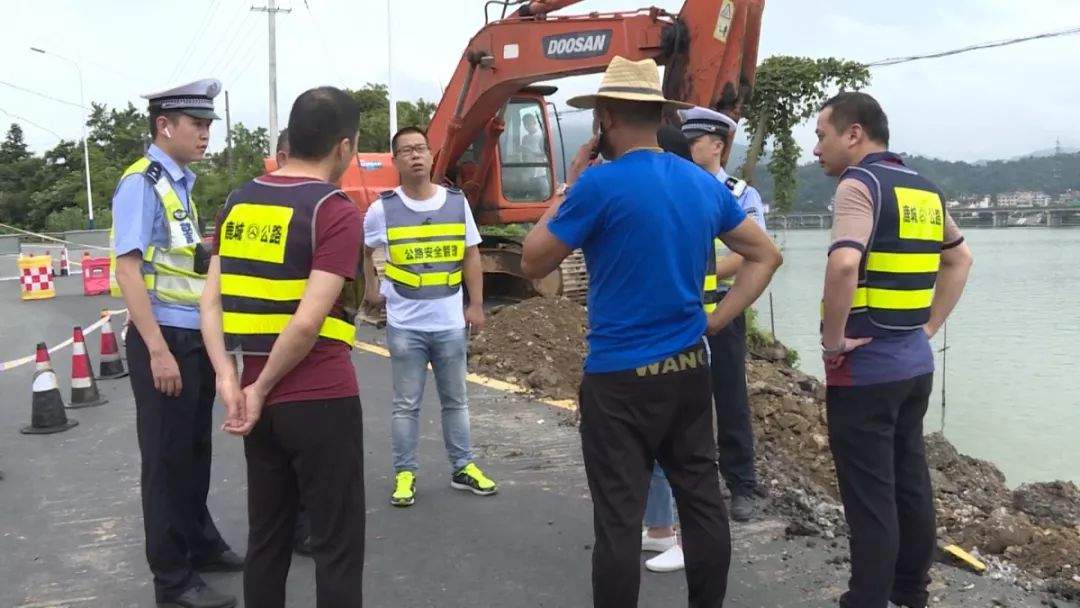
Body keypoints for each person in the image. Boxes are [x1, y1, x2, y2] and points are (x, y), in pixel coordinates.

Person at [521, 56, 782, 608]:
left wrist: (569, 185)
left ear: (606, 119)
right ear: (657, 113)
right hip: (689, 368)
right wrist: (717, 319)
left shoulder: (598, 186)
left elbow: (532, 262)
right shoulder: (700, 183)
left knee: (619, 517)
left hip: (619, 379)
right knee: (703, 501)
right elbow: (765, 255)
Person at [201, 86, 367, 607]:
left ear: (291, 138)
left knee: (267, 540)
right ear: (343, 146)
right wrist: (264, 384)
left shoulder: (239, 201)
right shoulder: (335, 210)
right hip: (320, 397)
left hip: (257, 402)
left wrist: (234, 381)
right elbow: (307, 323)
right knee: (337, 546)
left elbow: (210, 304)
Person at [813, 92, 972, 608]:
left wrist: (833, 342)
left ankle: (867, 598)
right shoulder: (923, 188)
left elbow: (842, 266)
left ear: (854, 133)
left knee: (869, 497)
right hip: (913, 366)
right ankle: (911, 592)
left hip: (866, 372)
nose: (816, 149)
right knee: (910, 480)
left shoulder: (858, 184)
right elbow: (960, 259)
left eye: (821, 135)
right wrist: (929, 326)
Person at [110, 79, 241, 608]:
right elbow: (127, 268)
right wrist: (158, 349)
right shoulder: (140, 183)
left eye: (209, 124)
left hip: (192, 336)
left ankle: (200, 544)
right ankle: (173, 581)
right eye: (198, 125)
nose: (207, 133)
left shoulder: (177, 182)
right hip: (163, 341)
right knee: (165, 463)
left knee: (194, 453)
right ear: (165, 126)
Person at [362, 126, 498, 508]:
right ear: (396, 161)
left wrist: (476, 304)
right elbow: (365, 249)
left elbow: (471, 255)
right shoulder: (381, 208)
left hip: (450, 322)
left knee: (457, 401)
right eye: (406, 151)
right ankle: (405, 473)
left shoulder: (456, 203)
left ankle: (463, 466)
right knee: (406, 405)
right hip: (406, 326)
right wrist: (372, 287)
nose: (416, 155)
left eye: (421, 148)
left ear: (431, 155)